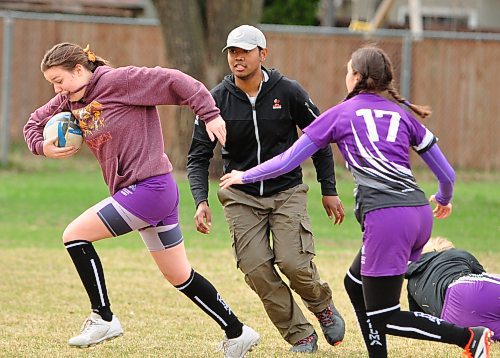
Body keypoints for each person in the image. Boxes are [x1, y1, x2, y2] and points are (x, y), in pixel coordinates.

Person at [219, 45, 494, 358]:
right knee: (354, 282)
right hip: (418, 213)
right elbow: (447, 174)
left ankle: (470, 338)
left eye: (348, 70)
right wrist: (444, 199)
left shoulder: (341, 114)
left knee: (385, 314)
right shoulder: (401, 114)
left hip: (387, 219)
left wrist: (245, 176)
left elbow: (287, 161)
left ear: (359, 77)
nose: (345, 76)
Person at [23, 42, 260, 358]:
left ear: (79, 70)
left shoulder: (121, 81)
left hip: (150, 189)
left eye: (59, 79)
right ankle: (238, 331)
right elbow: (33, 124)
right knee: (180, 276)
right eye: (52, 82)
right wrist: (43, 147)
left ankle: (103, 317)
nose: (57, 88)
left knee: (74, 235)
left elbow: (175, 80)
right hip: (147, 194)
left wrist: (209, 113)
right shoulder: (70, 99)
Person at [187, 25, 346, 353]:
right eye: (232, 52)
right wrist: (200, 201)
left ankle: (322, 305)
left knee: (293, 263)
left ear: (263, 53)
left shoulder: (289, 92)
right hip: (240, 197)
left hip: (287, 191)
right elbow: (197, 156)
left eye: (245, 51)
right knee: (256, 268)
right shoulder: (215, 99)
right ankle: (300, 333)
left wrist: (328, 189)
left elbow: (319, 140)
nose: (238, 58)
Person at [406, 236, 499, 342]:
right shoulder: (454, 253)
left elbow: (421, 321)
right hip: (461, 287)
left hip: (453, 321)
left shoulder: (411, 283)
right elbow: (483, 285)